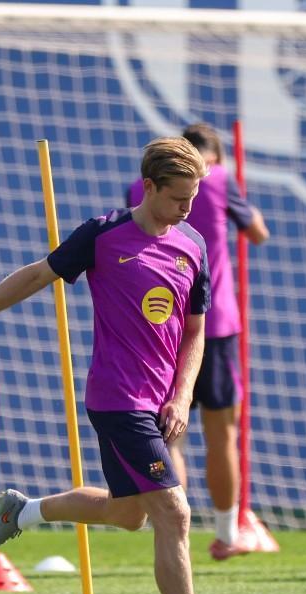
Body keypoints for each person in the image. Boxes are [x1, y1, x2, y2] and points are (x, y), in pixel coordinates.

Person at [0, 137, 244, 594]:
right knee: (175, 512)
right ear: (149, 188)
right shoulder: (103, 235)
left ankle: (23, 510)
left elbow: (195, 330)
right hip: (118, 398)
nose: (187, 210)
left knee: (129, 515)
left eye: (193, 199)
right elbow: (34, 275)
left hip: (161, 400)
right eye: (178, 199)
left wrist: (184, 392)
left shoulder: (193, 245)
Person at [126, 123, 269, 561]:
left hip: (163, 328)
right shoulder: (221, 179)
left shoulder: (140, 186)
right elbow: (258, 232)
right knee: (222, 433)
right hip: (216, 323)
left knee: (172, 436)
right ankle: (228, 532)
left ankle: (175, 530)